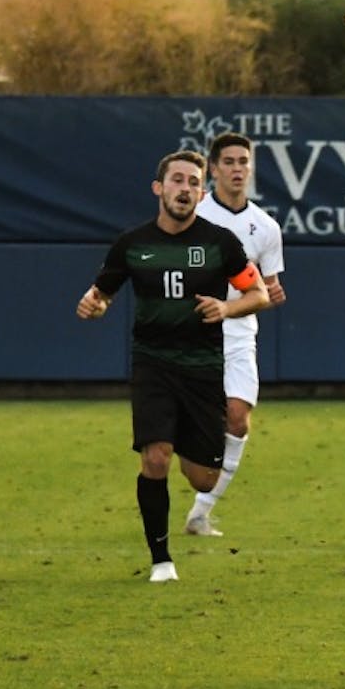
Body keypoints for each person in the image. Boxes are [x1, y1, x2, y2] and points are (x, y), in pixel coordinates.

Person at [76, 150, 270, 583]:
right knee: (155, 457)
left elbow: (258, 294)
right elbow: (101, 294)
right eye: (177, 180)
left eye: (193, 183)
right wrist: (94, 305)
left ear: (202, 193)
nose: (184, 189)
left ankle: (182, 434)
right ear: (158, 188)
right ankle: (161, 560)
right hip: (154, 364)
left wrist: (227, 307)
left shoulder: (220, 243)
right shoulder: (132, 243)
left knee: (204, 479)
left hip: (202, 368)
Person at [183, 132, 287, 538]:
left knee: (238, 420)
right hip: (193, 329)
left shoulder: (266, 227)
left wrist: (272, 293)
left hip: (240, 332)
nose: (237, 169)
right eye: (228, 162)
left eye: (244, 161)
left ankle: (201, 512)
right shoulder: (194, 215)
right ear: (213, 169)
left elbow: (268, 288)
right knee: (187, 426)